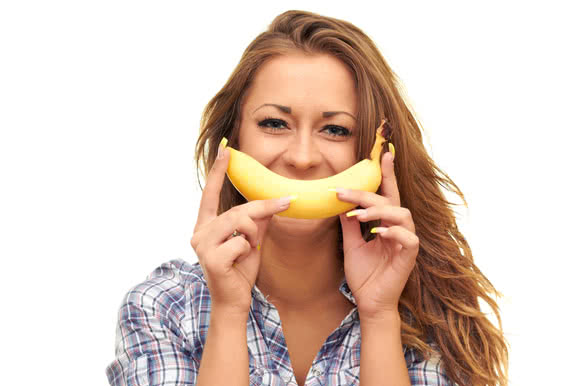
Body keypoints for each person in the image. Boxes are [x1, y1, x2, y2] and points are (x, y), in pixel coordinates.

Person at [106, 10, 509, 386]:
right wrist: (229, 312)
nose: (302, 158)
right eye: (275, 123)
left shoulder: (432, 316)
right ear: (234, 141)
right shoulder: (162, 308)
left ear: (372, 150)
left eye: (335, 130)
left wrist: (379, 315)